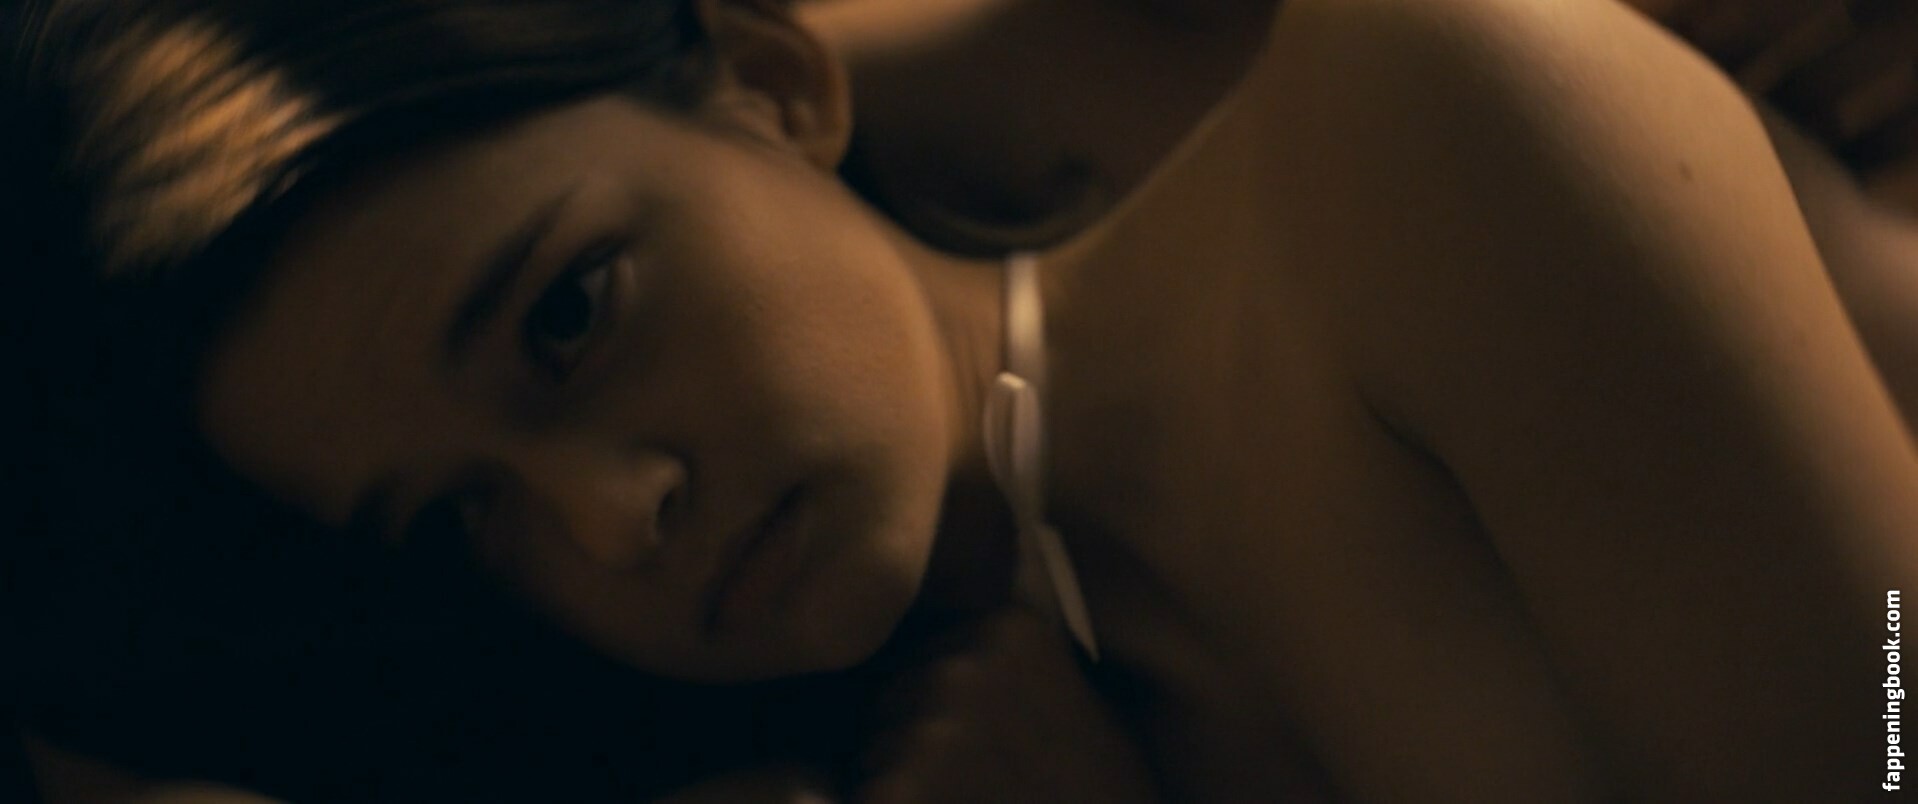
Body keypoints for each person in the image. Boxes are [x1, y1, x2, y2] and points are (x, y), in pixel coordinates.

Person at [9, 0, 1917, 801]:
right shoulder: (928, 749)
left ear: (770, 83)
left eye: (570, 318)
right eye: (462, 515)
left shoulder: (1425, 131)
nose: (605, 520)